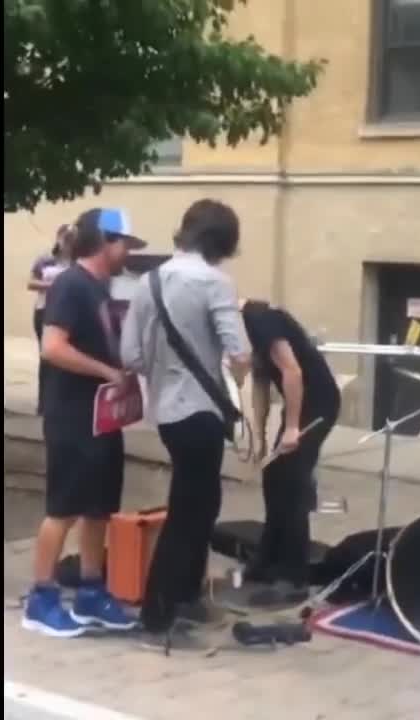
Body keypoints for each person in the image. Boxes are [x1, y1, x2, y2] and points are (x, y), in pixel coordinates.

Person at [120, 199, 251, 639]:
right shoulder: (215, 282)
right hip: (201, 411)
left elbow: (130, 355)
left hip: (168, 413)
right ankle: (158, 614)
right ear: (221, 242)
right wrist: (235, 377)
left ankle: (188, 597)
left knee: (201, 503)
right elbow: (240, 353)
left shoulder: (148, 282)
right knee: (189, 513)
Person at [22, 208, 148, 638]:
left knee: (99, 509)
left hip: (101, 419)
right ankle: (42, 598)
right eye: (125, 244)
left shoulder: (100, 288)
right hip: (72, 416)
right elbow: (52, 347)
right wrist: (106, 372)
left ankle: (93, 592)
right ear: (105, 241)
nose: (128, 253)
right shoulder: (71, 286)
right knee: (64, 508)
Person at [240, 298, 341, 604]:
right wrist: (258, 437)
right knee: (273, 475)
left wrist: (293, 427)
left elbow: (292, 372)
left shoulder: (260, 320)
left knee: (293, 482)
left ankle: (294, 576)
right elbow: (259, 385)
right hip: (299, 403)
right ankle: (268, 557)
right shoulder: (249, 333)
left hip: (319, 401)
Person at [28, 225, 74, 414]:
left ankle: (62, 400)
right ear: (59, 239)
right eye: (66, 239)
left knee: (65, 359)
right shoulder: (46, 260)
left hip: (66, 313)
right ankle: (44, 402)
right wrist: (52, 285)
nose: (68, 244)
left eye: (72, 240)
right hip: (44, 310)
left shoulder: (76, 263)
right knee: (46, 357)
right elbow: (31, 282)